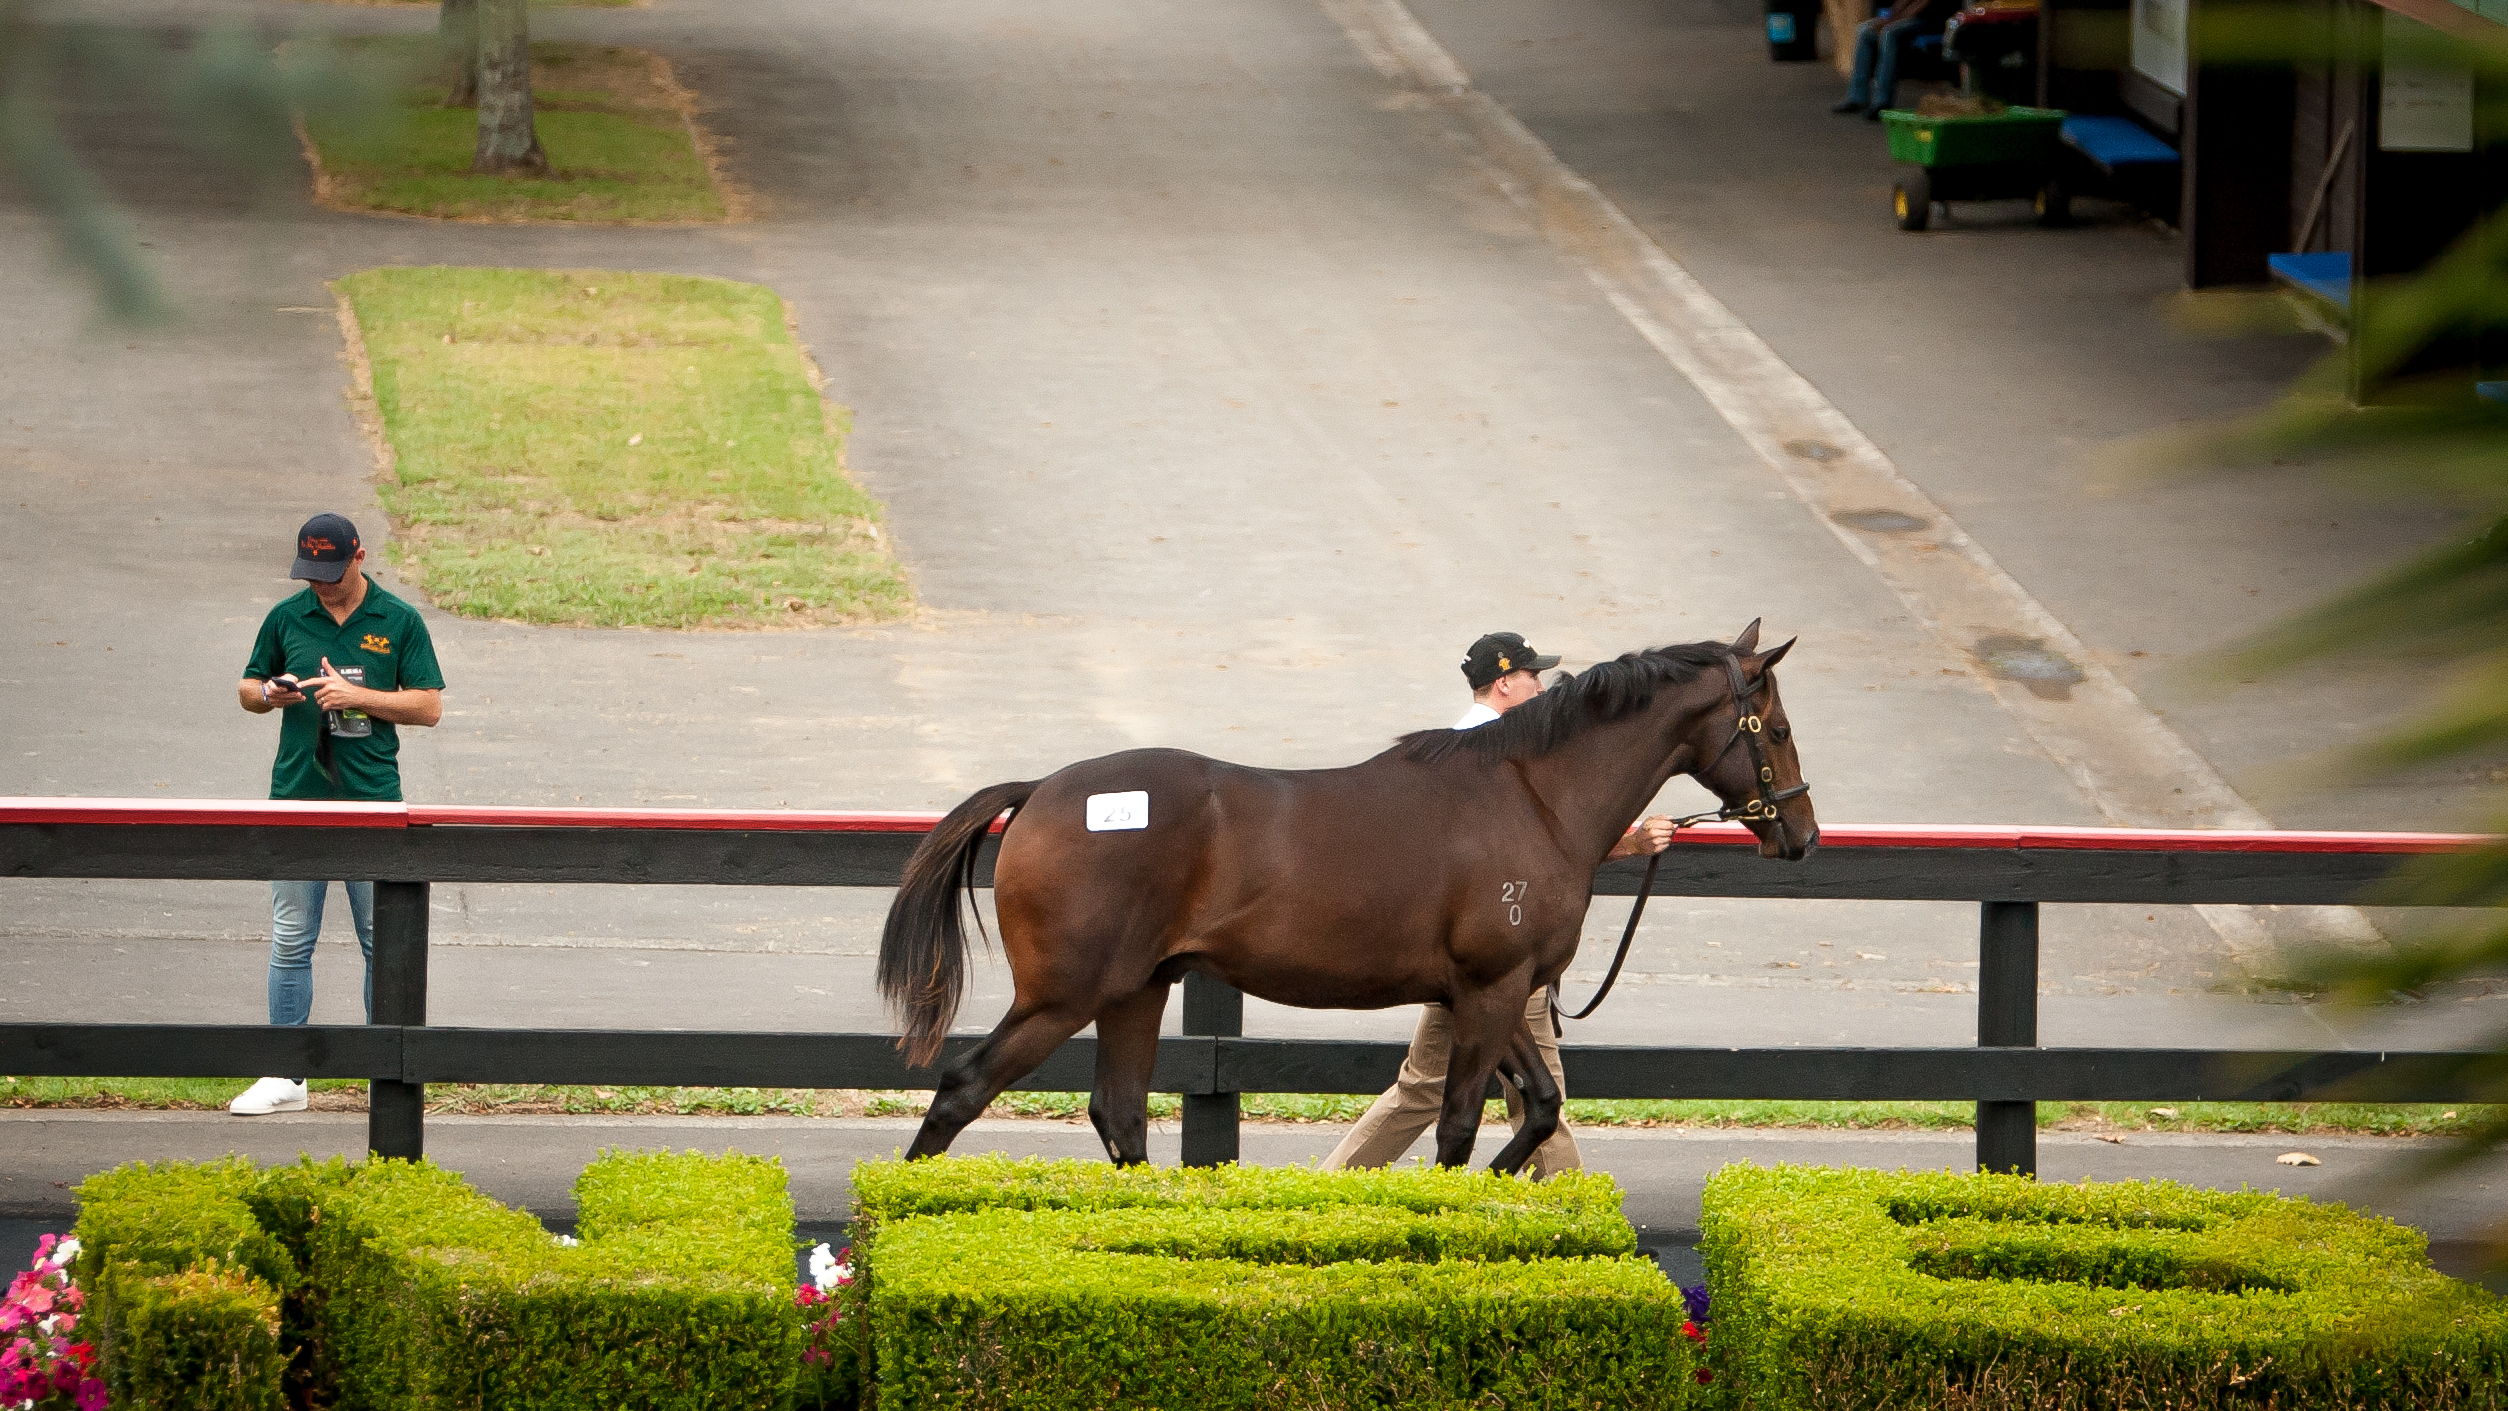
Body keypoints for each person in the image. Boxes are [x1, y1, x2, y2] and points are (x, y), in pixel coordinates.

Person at [1321, 632, 1677, 1179]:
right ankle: (1568, 1203)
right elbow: (1528, 856)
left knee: (1425, 1087)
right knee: (1533, 1089)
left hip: (1472, 943)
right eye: (1533, 676)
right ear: (1505, 682)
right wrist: (1630, 845)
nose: (1541, 687)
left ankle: (1330, 1186)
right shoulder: (1492, 757)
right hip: (1502, 942)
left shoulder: (1471, 750)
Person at [228, 514, 444, 1115]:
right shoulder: (287, 616)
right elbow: (247, 689)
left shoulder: (398, 619)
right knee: (291, 937)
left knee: (381, 939)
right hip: (297, 795)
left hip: (372, 800)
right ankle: (285, 1074)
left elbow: (428, 706)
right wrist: (270, 693)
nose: (321, 585)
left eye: (331, 572)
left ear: (359, 558)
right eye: (311, 573)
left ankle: (385, 1071)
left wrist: (359, 698)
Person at [1832, 0, 1946, 119]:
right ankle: (1857, 97)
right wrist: (1891, 17)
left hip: (1931, 19)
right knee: (1864, 30)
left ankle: (1882, 101)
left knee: (1888, 33)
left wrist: (1896, 19)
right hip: (1906, 18)